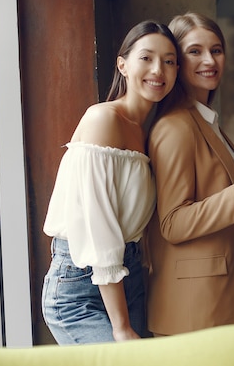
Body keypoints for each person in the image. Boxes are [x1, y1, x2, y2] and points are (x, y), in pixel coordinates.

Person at [41, 20, 180, 344]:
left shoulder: (146, 131)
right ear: (123, 65)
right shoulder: (103, 119)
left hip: (127, 277)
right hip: (81, 285)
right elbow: (96, 225)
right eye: (146, 58)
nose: (158, 69)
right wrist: (120, 326)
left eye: (169, 61)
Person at [145, 12, 234, 336]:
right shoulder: (175, 127)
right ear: (175, 61)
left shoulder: (207, 122)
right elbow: (173, 223)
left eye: (216, 50)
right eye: (195, 51)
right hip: (193, 308)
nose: (209, 60)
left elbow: (213, 205)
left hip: (220, 300)